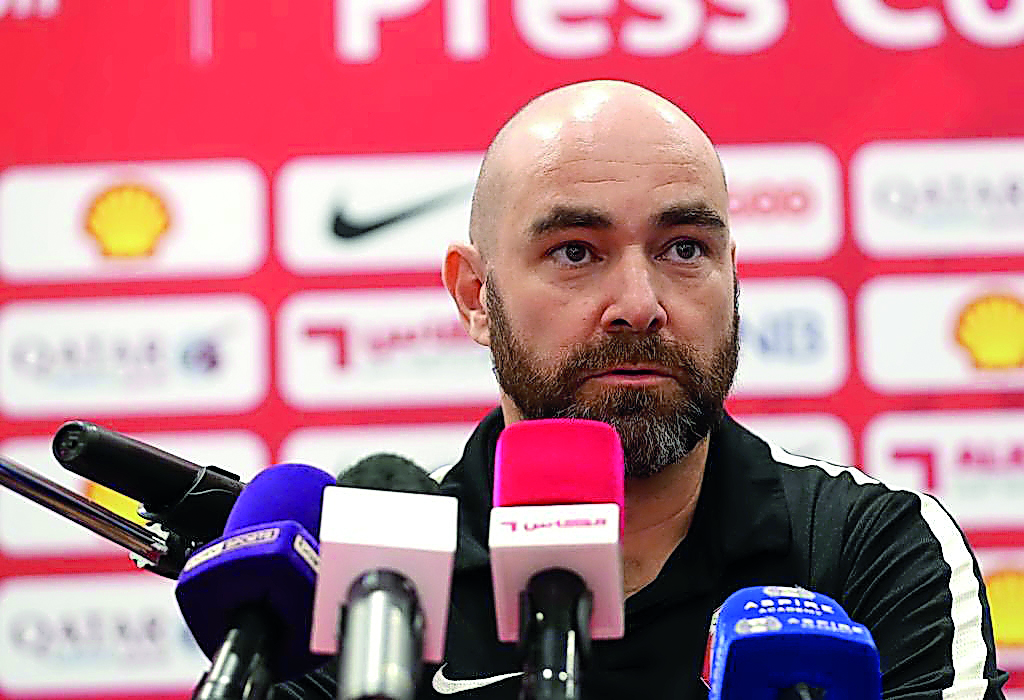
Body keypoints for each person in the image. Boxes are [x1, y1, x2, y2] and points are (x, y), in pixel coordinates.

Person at [278, 80, 1007, 699]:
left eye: (684, 248)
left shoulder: (868, 547)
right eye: (575, 252)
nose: (639, 302)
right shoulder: (381, 583)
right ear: (475, 295)